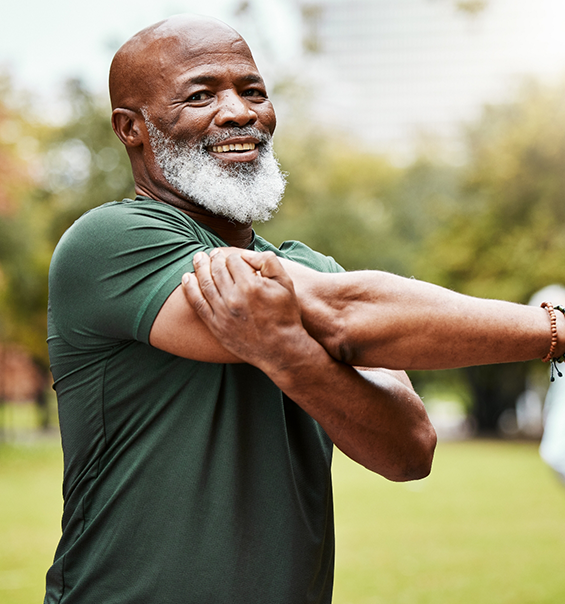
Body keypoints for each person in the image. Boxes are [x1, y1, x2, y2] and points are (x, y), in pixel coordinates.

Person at [45, 14, 565, 604]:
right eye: (200, 95)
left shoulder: (311, 267)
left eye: (253, 91)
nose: (240, 112)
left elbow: (409, 450)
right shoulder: (110, 241)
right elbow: (344, 315)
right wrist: (555, 329)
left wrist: (290, 355)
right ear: (131, 128)